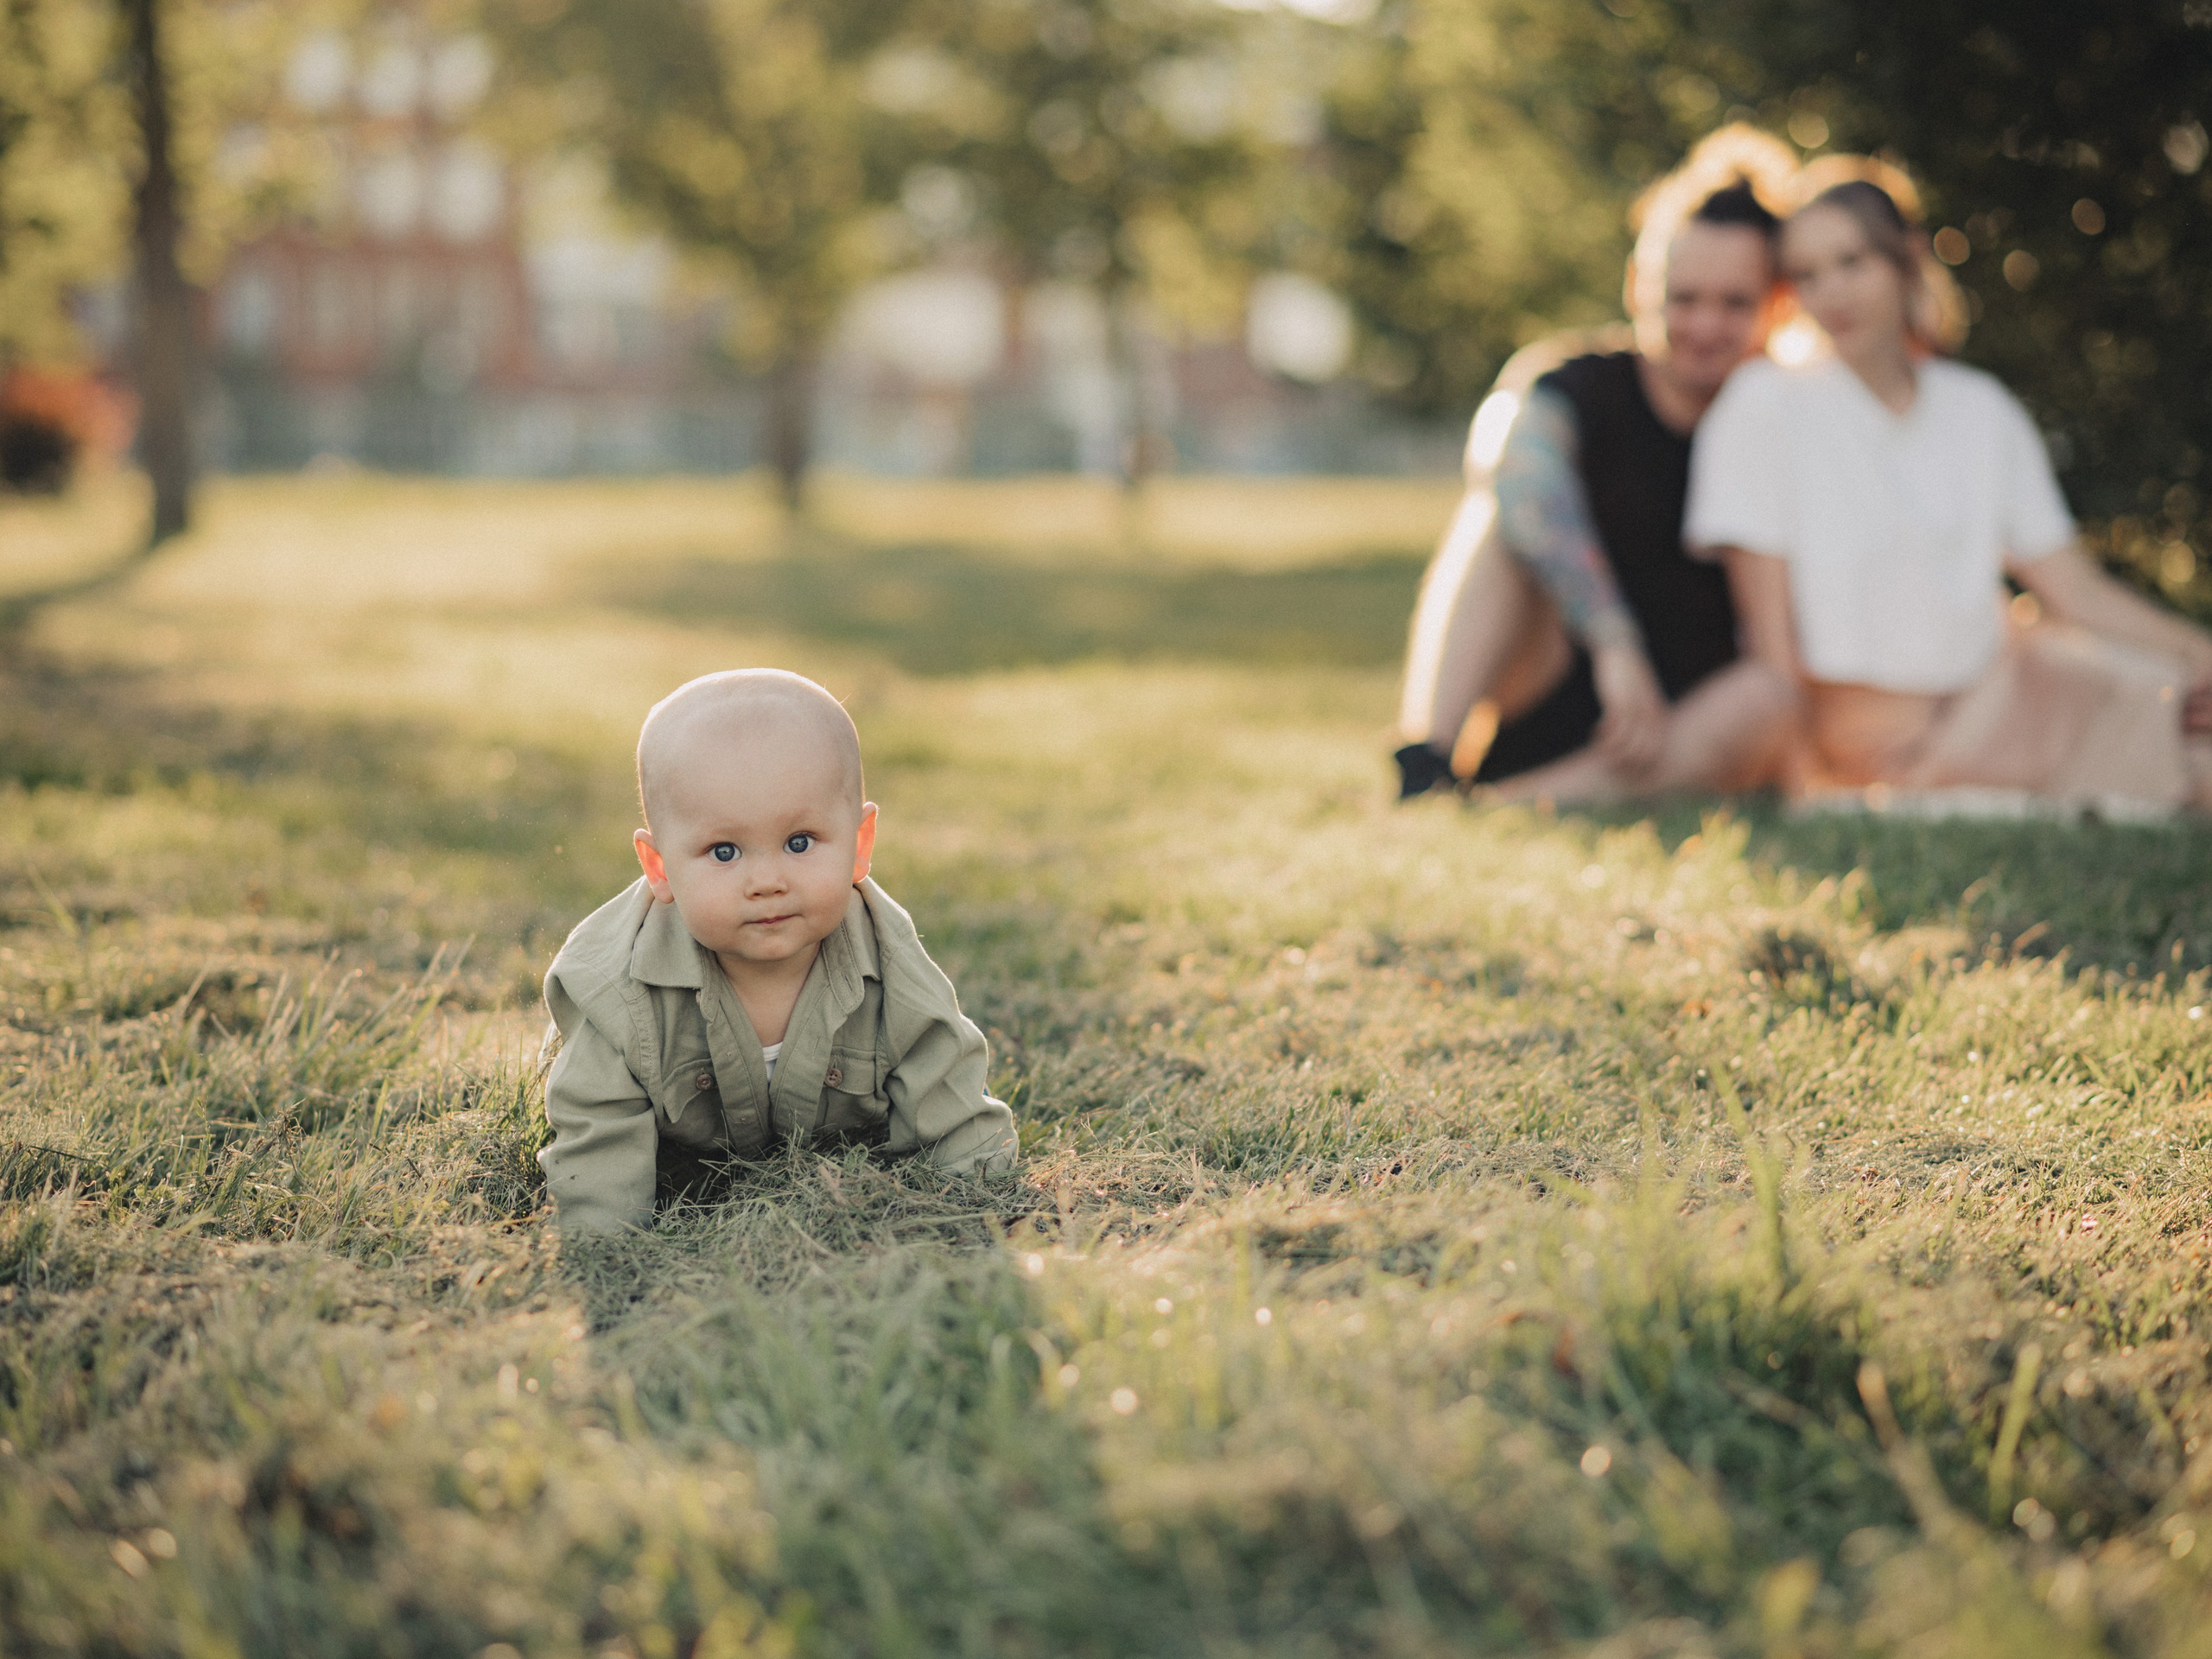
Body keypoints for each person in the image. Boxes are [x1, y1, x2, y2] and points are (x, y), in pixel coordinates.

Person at [1686, 163, 2212, 816]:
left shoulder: (1980, 409)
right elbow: (1770, 641)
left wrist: (2199, 651)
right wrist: (1801, 784)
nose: (1832, 292)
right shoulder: (1764, 404)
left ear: (1907, 258)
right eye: (1807, 275)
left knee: (2187, 724)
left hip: (2007, 694)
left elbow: (2073, 589)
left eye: (1852, 262)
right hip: (1869, 733)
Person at [1394, 125, 1800, 803]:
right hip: (1550, 673)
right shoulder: (1573, 383)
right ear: (1640, 284)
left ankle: (1498, 810)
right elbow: (1511, 461)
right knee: (1505, 515)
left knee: (1768, 697)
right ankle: (1424, 770)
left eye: (1734, 303)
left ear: (1775, 306)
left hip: (1678, 732)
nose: (1704, 326)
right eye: (1684, 298)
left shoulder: (1785, 416)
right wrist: (1616, 645)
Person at [537, 669, 1017, 1234]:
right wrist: (604, 1243)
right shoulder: (617, 995)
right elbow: (597, 1129)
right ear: (659, 868)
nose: (767, 880)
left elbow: (951, 1097)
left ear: (860, 845)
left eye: (798, 843)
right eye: (724, 852)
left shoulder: (892, 964)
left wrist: (982, 1204)